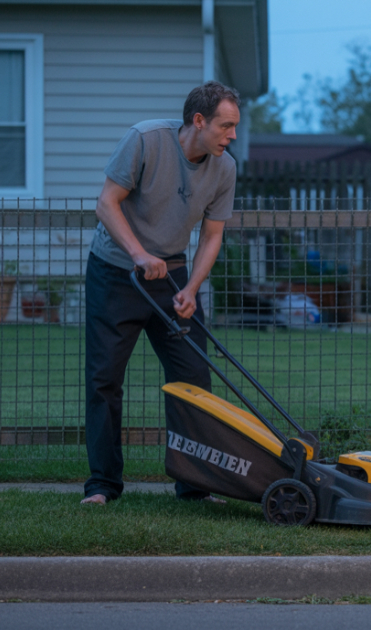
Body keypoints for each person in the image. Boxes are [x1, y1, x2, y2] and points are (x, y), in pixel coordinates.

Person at [81, 81, 241, 505]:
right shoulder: (145, 140)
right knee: (103, 379)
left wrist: (191, 288)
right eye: (226, 126)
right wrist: (138, 254)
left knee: (194, 378)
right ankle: (103, 485)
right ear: (199, 120)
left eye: (235, 127)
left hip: (172, 278)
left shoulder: (224, 168)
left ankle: (194, 486)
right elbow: (107, 203)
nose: (232, 135)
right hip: (116, 273)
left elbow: (212, 236)